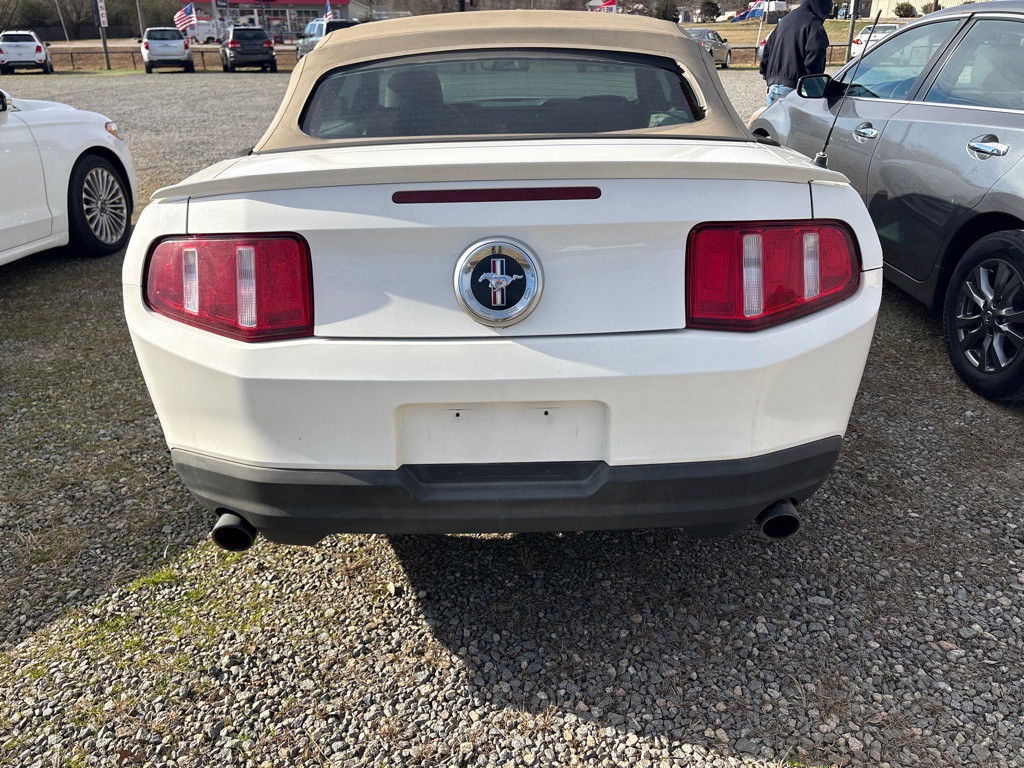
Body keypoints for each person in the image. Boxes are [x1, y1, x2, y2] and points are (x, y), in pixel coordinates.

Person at [759, 0, 833, 106]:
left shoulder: (785, 20)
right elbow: (814, 62)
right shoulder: (814, 26)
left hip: (773, 86)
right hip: (795, 88)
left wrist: (768, 79)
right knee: (795, 122)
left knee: (774, 122)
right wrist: (816, 88)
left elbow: (766, 52)